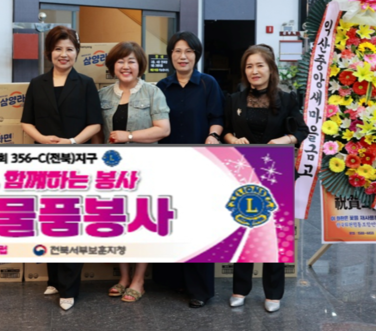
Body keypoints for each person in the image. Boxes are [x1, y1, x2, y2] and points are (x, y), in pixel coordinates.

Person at [20, 26, 102, 311]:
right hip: (43, 160)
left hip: (75, 160)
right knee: (47, 219)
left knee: (70, 222)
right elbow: (26, 121)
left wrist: (72, 142)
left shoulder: (86, 83)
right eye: (58, 49)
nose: (63, 54)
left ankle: (69, 288)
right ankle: (54, 279)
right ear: (49, 53)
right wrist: (43, 139)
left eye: (69, 49)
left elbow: (95, 124)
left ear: (77, 52)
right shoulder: (37, 83)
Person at [223, 44, 308, 313]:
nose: (254, 71)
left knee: (274, 234)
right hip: (244, 171)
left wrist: (284, 140)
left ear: (271, 69)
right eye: (249, 66)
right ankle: (240, 289)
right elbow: (225, 130)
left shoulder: (287, 99)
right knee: (244, 228)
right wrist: (234, 139)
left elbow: (302, 131)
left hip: (276, 172)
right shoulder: (234, 99)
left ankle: (273, 293)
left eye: (260, 65)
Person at [93, 41, 170, 303]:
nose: (126, 66)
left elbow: (163, 129)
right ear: (112, 66)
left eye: (131, 61)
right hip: (112, 170)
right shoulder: (103, 95)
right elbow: (98, 133)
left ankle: (139, 280)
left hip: (145, 167)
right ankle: (124, 277)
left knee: (141, 221)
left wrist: (129, 136)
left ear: (140, 66)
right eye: (120, 61)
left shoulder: (152, 92)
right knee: (117, 222)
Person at [155, 31, 224, 308]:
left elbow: (217, 116)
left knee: (199, 224)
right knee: (172, 220)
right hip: (168, 164)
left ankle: (200, 289)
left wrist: (213, 135)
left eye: (188, 51)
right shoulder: (161, 86)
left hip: (201, 163)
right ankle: (174, 282)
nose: (182, 56)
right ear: (170, 55)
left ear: (196, 55)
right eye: (177, 51)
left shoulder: (208, 84)